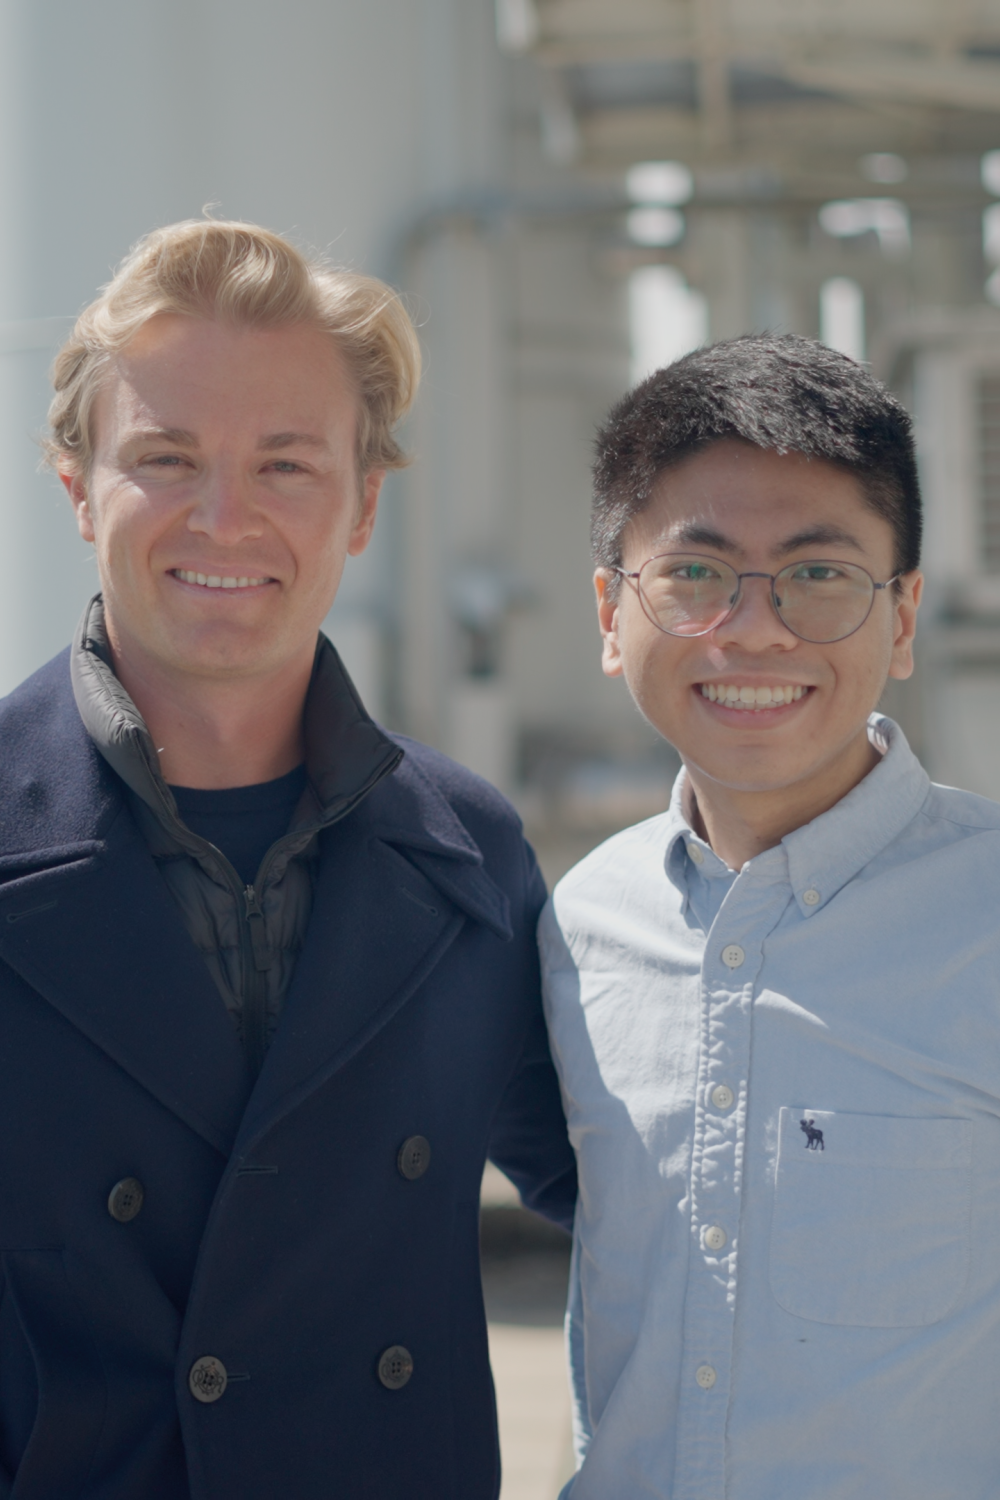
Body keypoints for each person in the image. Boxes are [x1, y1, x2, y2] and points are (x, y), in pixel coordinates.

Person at [0, 219, 575, 1499]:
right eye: (163, 456)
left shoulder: (469, 851)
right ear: (76, 488)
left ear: (365, 504)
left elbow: (643, 1195)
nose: (225, 516)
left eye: (285, 464)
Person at [540, 334, 1000, 1499]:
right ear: (609, 612)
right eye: (693, 574)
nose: (752, 629)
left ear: (901, 618)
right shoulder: (576, 926)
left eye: (818, 574)